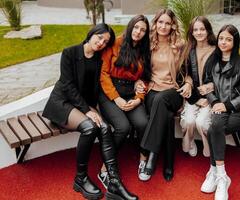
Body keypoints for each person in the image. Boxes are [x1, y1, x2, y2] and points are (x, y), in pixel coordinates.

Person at [42, 24, 138, 200]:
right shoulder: (70, 53)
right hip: (61, 102)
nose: (101, 42)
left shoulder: (98, 59)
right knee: (89, 127)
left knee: (103, 127)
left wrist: (93, 109)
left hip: (81, 104)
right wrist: (87, 111)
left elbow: (96, 87)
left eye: (106, 41)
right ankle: (80, 178)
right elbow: (68, 85)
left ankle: (114, 181)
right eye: (99, 37)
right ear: (92, 33)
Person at [200, 24, 240, 200]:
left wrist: (228, 105)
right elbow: (208, 87)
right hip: (220, 107)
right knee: (215, 127)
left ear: (235, 41)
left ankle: (215, 172)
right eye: (221, 38)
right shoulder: (213, 61)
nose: (223, 42)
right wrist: (215, 101)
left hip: (239, 110)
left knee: (213, 129)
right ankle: (221, 175)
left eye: (228, 39)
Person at [138, 8, 192, 182]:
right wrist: (136, 82)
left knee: (162, 101)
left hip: (173, 91)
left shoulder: (180, 45)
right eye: (160, 22)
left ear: (172, 25)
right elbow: (138, 70)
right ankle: (168, 163)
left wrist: (189, 83)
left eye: (167, 23)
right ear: (155, 23)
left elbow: (190, 71)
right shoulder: (147, 44)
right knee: (166, 116)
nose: (163, 26)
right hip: (152, 90)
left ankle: (149, 153)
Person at [98, 15, 151, 185]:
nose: (139, 32)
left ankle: (143, 159)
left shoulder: (144, 49)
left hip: (131, 94)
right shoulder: (116, 43)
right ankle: (106, 169)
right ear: (130, 27)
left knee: (143, 123)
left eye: (143, 30)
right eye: (136, 27)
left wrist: (138, 99)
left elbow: (145, 78)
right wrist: (116, 98)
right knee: (123, 127)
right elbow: (104, 73)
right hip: (110, 93)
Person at [180, 16, 216, 157]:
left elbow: (220, 78)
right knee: (189, 121)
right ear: (191, 32)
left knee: (201, 122)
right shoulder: (189, 50)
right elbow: (184, 74)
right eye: (196, 30)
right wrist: (194, 95)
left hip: (210, 96)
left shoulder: (216, 51)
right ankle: (189, 140)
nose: (199, 32)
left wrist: (210, 93)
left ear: (208, 31)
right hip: (192, 95)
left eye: (202, 29)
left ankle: (207, 145)